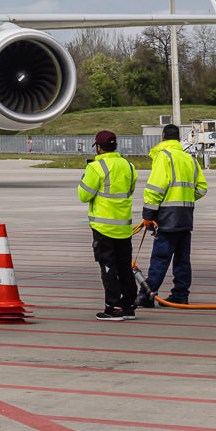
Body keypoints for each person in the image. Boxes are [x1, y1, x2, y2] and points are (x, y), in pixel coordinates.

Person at [139, 125, 208, 307]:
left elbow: (156, 187)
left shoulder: (164, 156)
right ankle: (180, 295)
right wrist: (185, 198)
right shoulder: (189, 159)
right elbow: (201, 188)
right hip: (185, 216)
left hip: (168, 216)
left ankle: (147, 295)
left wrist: (149, 213)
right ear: (178, 140)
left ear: (163, 138)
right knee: (182, 259)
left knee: (160, 258)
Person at [79, 130, 138, 321]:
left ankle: (113, 307)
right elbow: (130, 190)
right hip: (123, 226)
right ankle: (129, 306)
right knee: (125, 268)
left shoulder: (96, 167)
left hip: (104, 227)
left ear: (98, 147)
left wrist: (84, 177)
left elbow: (84, 195)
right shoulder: (128, 166)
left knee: (108, 268)